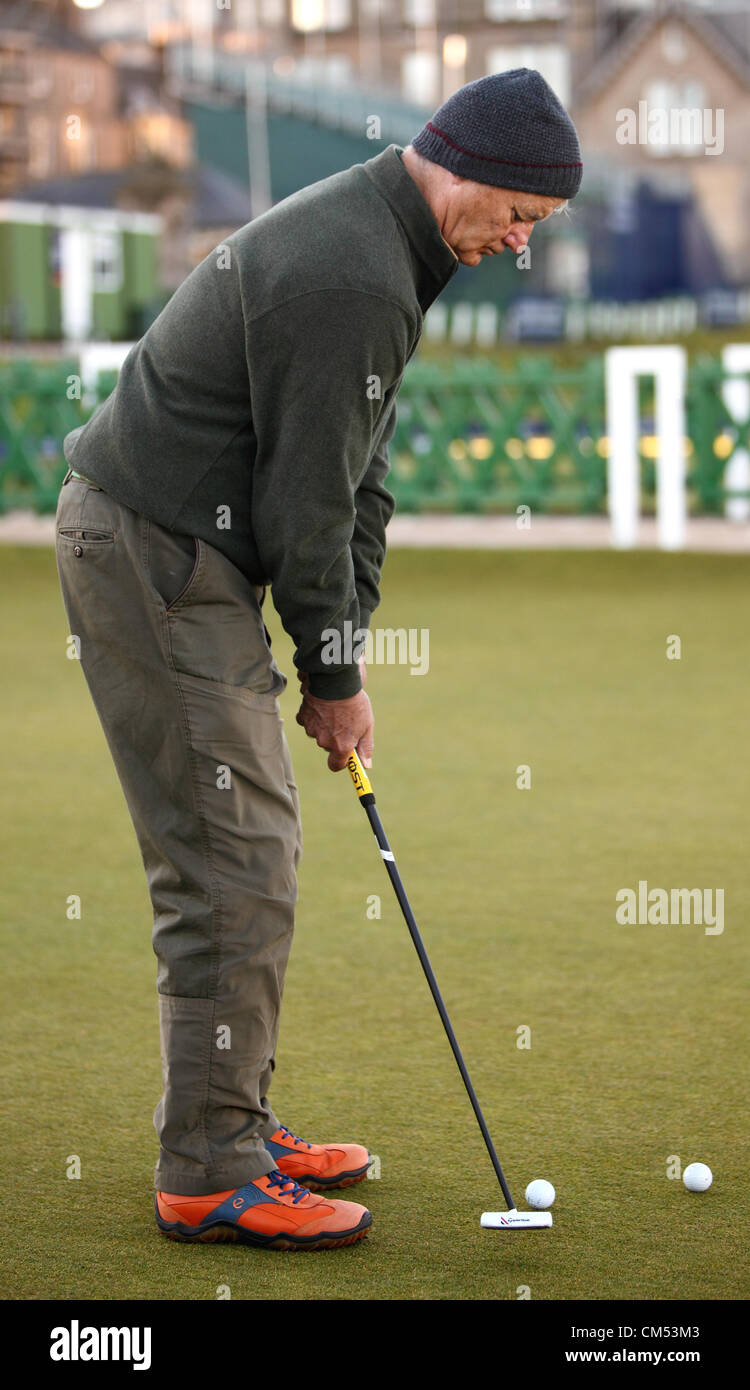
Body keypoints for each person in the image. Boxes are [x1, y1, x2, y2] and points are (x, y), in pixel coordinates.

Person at [55, 68, 582, 1251]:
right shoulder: (354, 269)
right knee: (232, 864)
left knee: (255, 845)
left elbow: (358, 479)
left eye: (533, 232)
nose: (516, 244)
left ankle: (229, 1116)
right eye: (519, 218)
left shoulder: (392, 249)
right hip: (155, 551)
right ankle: (210, 1168)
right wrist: (336, 678)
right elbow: (305, 508)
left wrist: (345, 645)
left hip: (182, 551)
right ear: (470, 168)